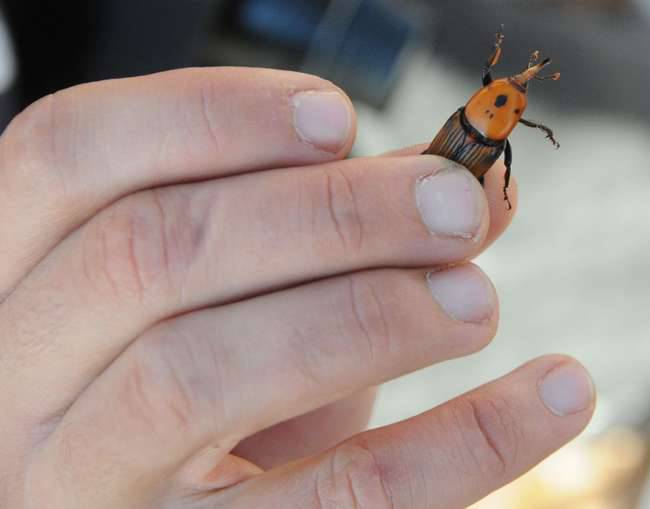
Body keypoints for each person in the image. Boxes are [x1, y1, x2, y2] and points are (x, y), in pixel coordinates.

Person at [0, 66, 595, 508]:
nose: (514, 87)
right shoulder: (497, 124)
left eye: (517, 93)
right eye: (513, 86)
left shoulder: (484, 113)